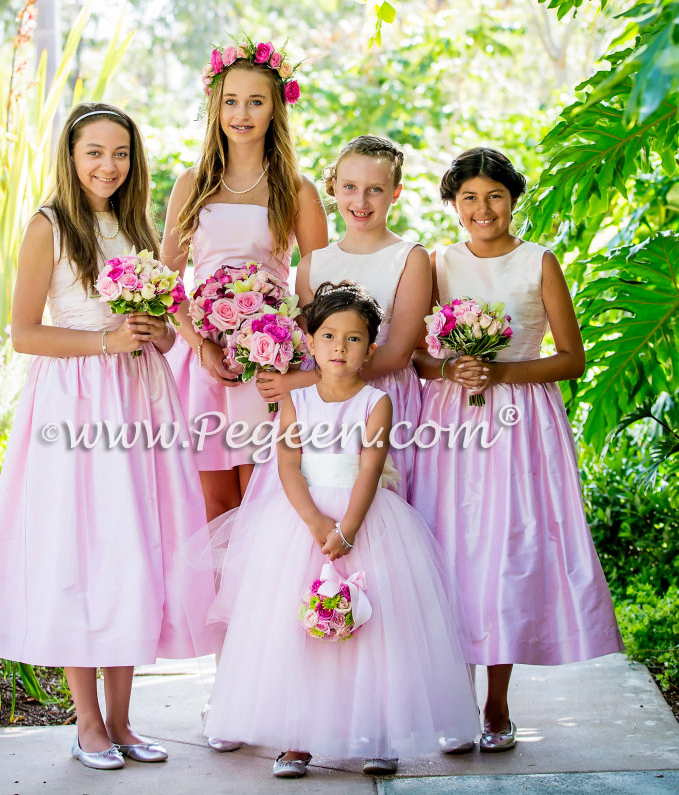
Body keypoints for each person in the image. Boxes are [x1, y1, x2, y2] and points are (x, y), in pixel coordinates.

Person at [0, 102, 219, 771]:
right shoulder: (47, 226)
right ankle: (87, 723)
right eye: (94, 153)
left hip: (140, 399)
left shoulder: (136, 225)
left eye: (120, 153)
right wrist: (106, 339)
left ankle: (122, 720)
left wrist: (154, 333)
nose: (108, 165)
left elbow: (163, 328)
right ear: (71, 156)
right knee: (86, 550)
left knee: (134, 549)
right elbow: (24, 332)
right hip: (78, 406)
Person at [200, 281, 479, 778]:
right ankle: (297, 737)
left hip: (364, 520)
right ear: (309, 342)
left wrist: (347, 530)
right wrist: (314, 522)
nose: (339, 348)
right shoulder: (297, 400)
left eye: (353, 339)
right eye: (328, 336)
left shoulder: (376, 402)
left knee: (373, 630)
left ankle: (377, 733)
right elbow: (288, 467)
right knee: (294, 628)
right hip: (301, 522)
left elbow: (370, 470)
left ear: (369, 349)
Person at [411, 147, 623, 753]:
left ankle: (497, 703)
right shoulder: (438, 261)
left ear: (513, 200)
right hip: (451, 423)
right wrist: (450, 368)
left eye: (495, 196)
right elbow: (419, 355)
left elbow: (572, 358)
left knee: (504, 550)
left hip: (520, 420)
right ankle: (453, 700)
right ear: (453, 204)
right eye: (470, 197)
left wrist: (500, 373)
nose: (483, 209)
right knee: (448, 547)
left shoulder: (539, 263)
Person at [161, 38, 327, 524]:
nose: (242, 113)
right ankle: (215, 604)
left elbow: (314, 294)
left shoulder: (297, 190)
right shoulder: (191, 184)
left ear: (275, 109)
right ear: (215, 107)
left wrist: (290, 358)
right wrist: (202, 347)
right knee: (212, 503)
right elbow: (168, 285)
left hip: (267, 366)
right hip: (202, 363)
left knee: (260, 497)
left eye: (256, 102)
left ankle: (255, 601)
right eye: (231, 101)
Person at [294, 134, 430, 500]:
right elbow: (311, 345)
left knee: (379, 506)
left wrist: (304, 381)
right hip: (322, 400)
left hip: (384, 395)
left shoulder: (410, 258)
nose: (360, 200)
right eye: (350, 187)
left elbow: (400, 352)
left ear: (395, 193)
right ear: (333, 187)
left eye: (375, 190)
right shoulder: (313, 265)